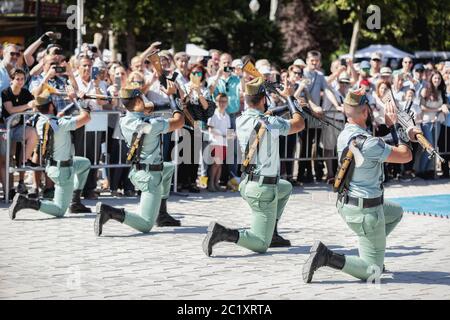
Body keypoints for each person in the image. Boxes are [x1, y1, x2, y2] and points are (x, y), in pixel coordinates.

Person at [302, 89, 421, 283]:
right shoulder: (370, 143)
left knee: (396, 212)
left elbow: (377, 144)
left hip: (347, 204)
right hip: (366, 212)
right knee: (372, 272)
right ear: (365, 112)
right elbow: (405, 155)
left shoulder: (347, 135)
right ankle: (326, 256)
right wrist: (395, 127)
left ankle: (374, 250)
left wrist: (402, 133)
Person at [202, 77, 305, 256]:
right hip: (262, 189)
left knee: (285, 187)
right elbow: (299, 124)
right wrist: (291, 100)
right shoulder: (269, 123)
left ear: (247, 100)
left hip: (248, 183)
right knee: (260, 244)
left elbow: (267, 115)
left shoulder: (241, 119)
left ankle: (271, 232)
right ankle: (223, 233)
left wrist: (290, 105)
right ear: (263, 100)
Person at [94, 85, 184, 236]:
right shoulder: (151, 125)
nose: (145, 100)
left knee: (168, 168)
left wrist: (154, 104)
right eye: (142, 98)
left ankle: (161, 214)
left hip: (138, 171)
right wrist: (176, 101)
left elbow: (145, 109)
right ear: (136, 102)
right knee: (145, 224)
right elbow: (179, 121)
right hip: (150, 176)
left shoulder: (125, 120)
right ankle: (109, 212)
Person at [9, 92, 92, 219]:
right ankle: (25, 202)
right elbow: (86, 117)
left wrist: (60, 115)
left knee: (85, 163)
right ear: (51, 106)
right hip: (63, 170)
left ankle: (75, 201)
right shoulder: (60, 123)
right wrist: (78, 101)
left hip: (55, 166)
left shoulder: (41, 121)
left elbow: (53, 123)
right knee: (59, 210)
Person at [0, 68, 38, 197]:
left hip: (19, 128)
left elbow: (35, 104)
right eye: (17, 79)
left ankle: (24, 160)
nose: (20, 82)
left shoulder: (26, 92)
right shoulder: (5, 92)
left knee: (33, 133)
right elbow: (10, 110)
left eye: (22, 79)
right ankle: (8, 190)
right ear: (11, 80)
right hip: (5, 129)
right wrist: (28, 106)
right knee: (7, 160)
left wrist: (33, 104)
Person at [417, 71, 448, 179]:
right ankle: (421, 171)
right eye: (435, 78)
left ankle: (429, 171)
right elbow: (422, 107)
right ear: (431, 79)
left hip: (437, 122)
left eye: (439, 79)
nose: (437, 80)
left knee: (434, 148)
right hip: (427, 122)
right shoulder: (426, 90)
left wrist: (441, 109)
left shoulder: (440, 92)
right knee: (428, 147)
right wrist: (437, 109)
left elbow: (443, 106)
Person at [207, 93, 231, 192]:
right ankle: (211, 184)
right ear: (216, 102)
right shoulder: (213, 114)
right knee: (215, 164)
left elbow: (229, 130)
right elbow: (210, 130)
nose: (222, 103)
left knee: (219, 164)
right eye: (220, 101)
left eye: (224, 101)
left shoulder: (227, 116)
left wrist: (231, 135)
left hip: (224, 143)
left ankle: (216, 183)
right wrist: (223, 135)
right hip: (215, 142)